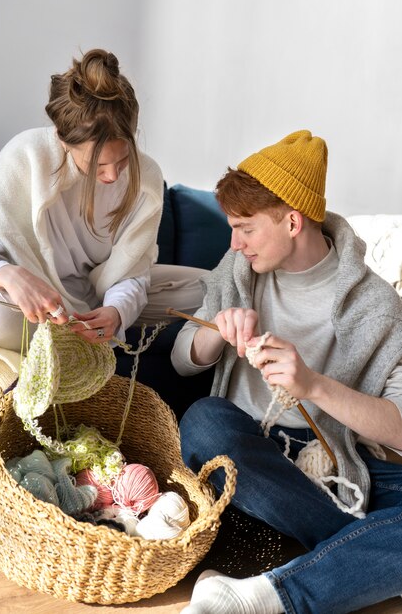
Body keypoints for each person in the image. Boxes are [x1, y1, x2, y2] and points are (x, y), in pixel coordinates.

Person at [171, 130, 402, 614]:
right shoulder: (235, 271)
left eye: (246, 228)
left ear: (293, 221)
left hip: (340, 463)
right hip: (252, 453)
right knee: (204, 421)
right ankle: (360, 555)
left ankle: (266, 596)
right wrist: (216, 331)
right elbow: (180, 359)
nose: (234, 242)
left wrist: (313, 385)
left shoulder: (378, 306)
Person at [0, 48, 206, 368]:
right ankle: (63, 343)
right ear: (63, 140)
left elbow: (133, 272)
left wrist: (117, 312)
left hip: (96, 300)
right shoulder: (25, 157)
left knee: (210, 289)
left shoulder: (146, 177)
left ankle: (80, 338)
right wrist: (9, 275)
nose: (113, 175)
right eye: (99, 164)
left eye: (123, 159)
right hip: (33, 305)